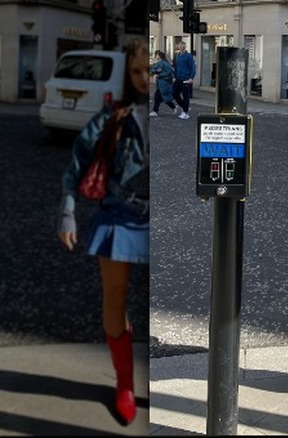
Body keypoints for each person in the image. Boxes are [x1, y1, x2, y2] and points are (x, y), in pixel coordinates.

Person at [57, 38, 150, 425]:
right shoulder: (115, 114)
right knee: (115, 296)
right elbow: (78, 159)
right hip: (118, 218)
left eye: (150, 70)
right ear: (127, 74)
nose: (145, 78)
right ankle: (124, 384)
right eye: (137, 71)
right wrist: (67, 211)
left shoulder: (169, 112)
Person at [172, 40, 196, 120]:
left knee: (186, 96)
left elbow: (193, 67)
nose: (181, 46)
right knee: (174, 93)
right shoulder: (177, 56)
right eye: (180, 45)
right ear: (178, 46)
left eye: (183, 45)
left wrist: (191, 78)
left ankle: (185, 113)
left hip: (186, 79)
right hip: (178, 78)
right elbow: (176, 67)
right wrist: (174, 76)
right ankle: (184, 106)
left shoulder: (188, 56)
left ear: (185, 46)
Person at [149, 49, 177, 117]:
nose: (156, 56)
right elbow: (153, 69)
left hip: (163, 84)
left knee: (158, 96)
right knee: (163, 98)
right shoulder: (160, 62)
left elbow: (168, 72)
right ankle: (173, 107)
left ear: (159, 56)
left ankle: (155, 111)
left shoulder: (163, 63)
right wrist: (156, 71)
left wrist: (159, 74)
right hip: (161, 84)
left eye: (157, 55)